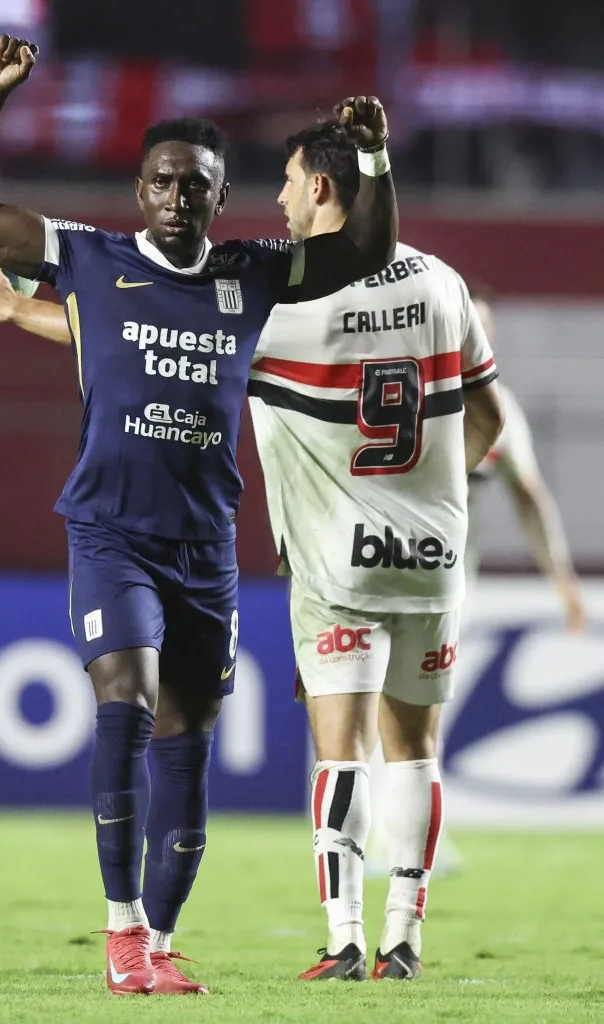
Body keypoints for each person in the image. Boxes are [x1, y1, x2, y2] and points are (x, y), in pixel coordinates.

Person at [0, 33, 397, 997]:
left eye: (197, 186)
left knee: (190, 741)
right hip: (110, 533)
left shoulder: (253, 272)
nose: (178, 198)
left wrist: (371, 162)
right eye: (163, 181)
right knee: (128, 698)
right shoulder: (89, 258)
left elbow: (365, 248)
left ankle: (158, 938)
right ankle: (120, 931)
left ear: (219, 197)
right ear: (140, 188)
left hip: (205, 548)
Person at [247, 124, 504, 981]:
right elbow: (489, 422)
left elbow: (164, 351)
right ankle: (407, 940)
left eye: (288, 181)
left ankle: (345, 937)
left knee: (342, 753)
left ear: (323, 188)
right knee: (417, 754)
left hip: (338, 566)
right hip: (434, 558)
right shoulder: (443, 280)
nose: (280, 198)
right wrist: (432, 489)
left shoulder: (287, 303)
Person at [466, 285, 585, 630]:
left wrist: (563, 579)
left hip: (442, 585)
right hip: (388, 576)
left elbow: (530, 499)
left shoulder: (500, 414)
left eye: (481, 329)